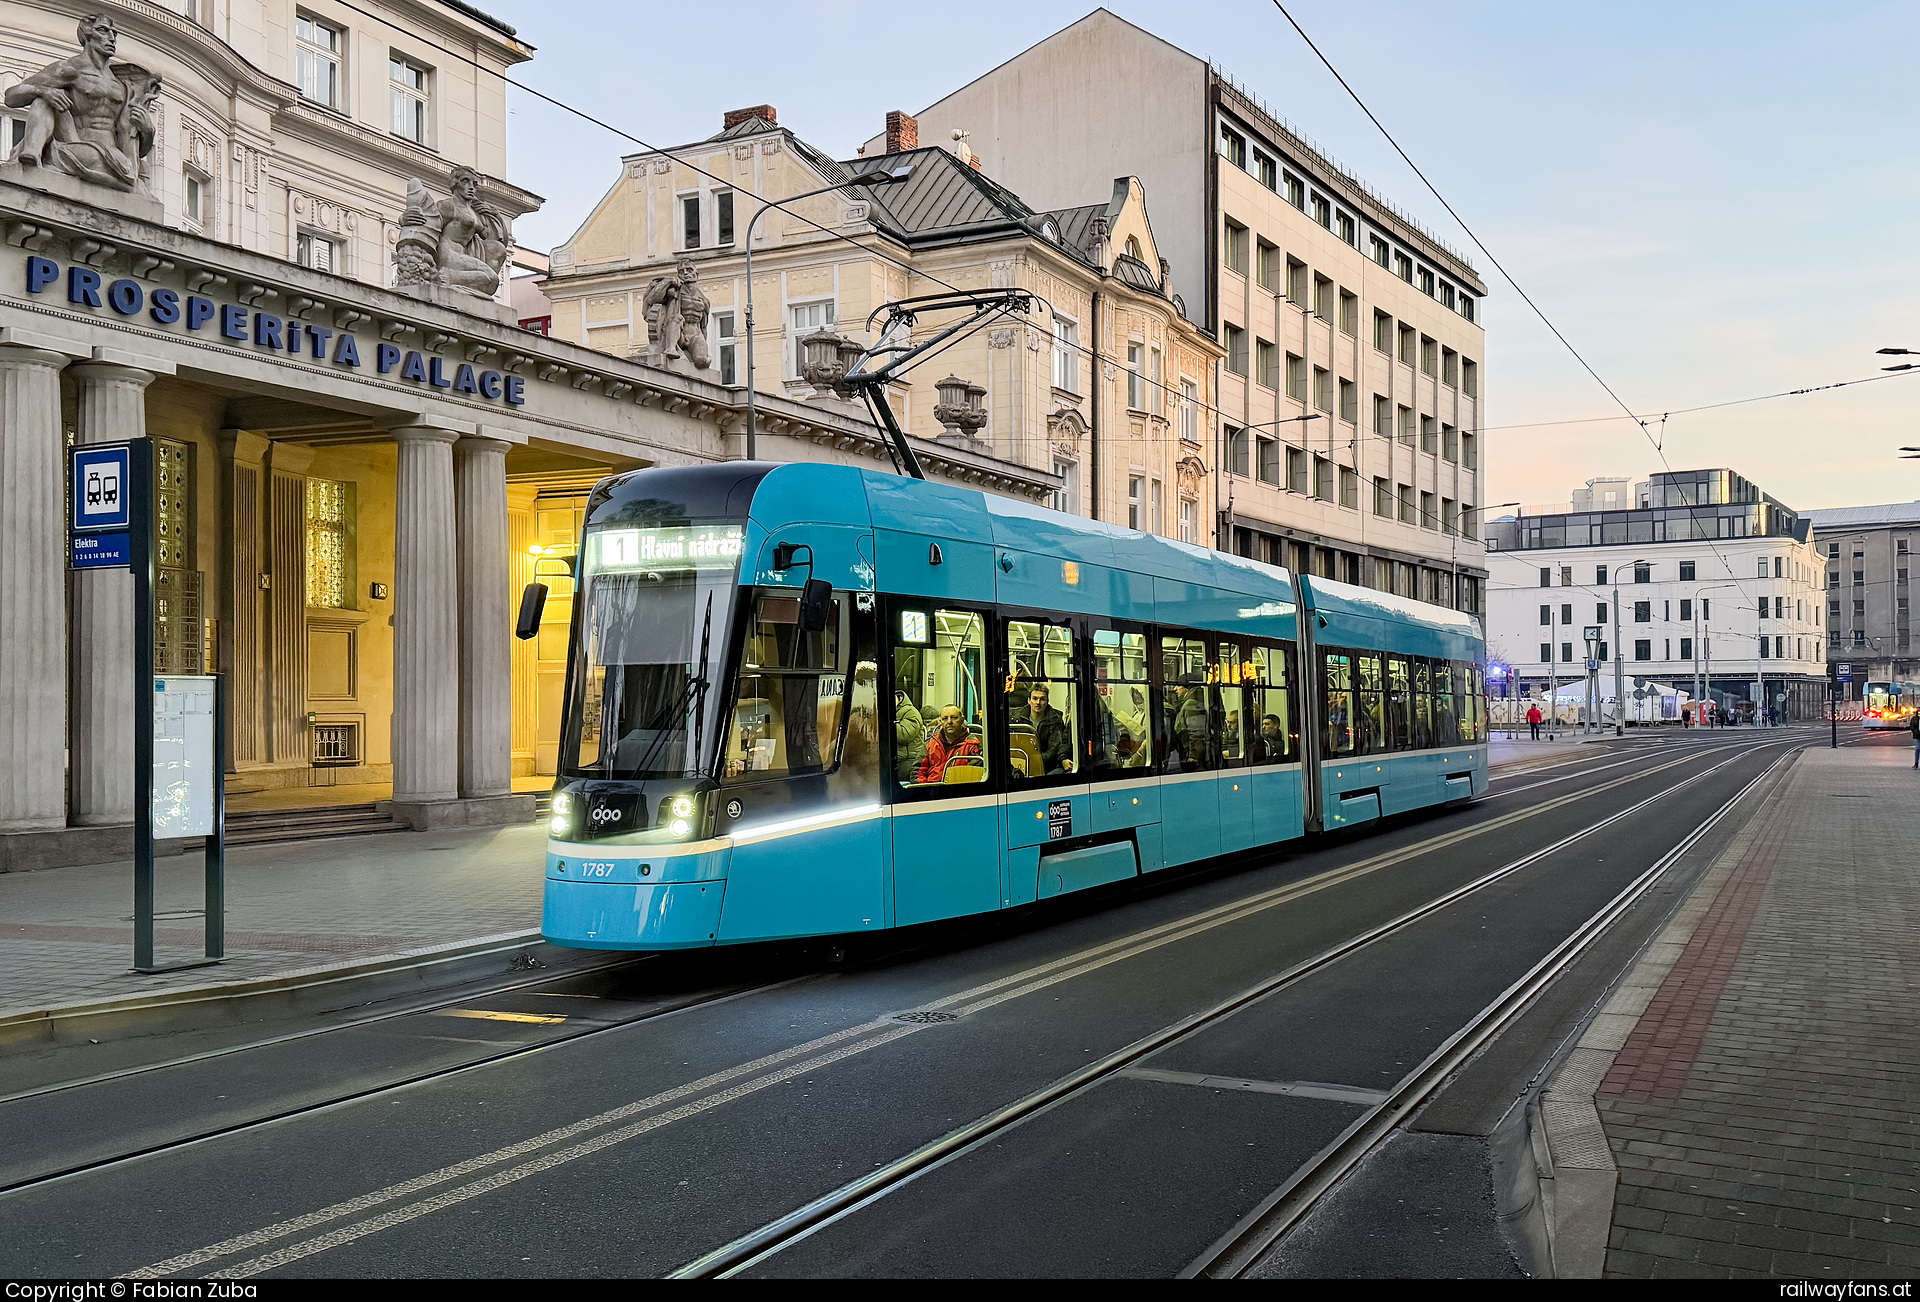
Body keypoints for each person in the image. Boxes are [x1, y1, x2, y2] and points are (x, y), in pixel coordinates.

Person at [914, 706, 980, 783]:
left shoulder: (972, 745)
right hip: (932, 789)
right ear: (940, 722)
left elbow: (973, 775)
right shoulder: (930, 744)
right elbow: (918, 772)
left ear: (962, 720)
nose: (949, 722)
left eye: (954, 718)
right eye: (945, 719)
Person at [1025, 686, 1074, 774]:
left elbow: (1053, 749)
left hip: (1049, 765)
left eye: (1042, 699)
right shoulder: (1019, 718)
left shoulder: (1055, 719)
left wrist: (1035, 761)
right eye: (1035, 699)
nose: (1038, 703)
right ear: (1029, 700)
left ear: (1047, 702)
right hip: (1024, 761)